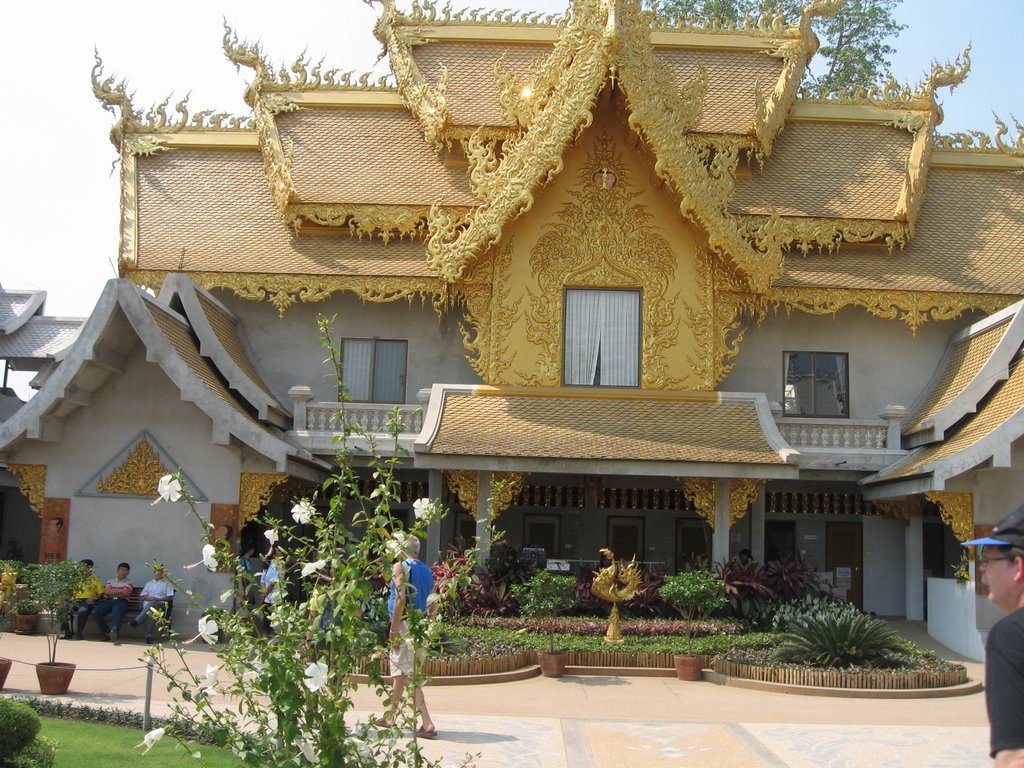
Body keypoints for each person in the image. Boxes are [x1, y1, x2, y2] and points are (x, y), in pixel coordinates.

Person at [963, 508, 1024, 767]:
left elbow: (1015, 757)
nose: (983, 570)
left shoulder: (1012, 635)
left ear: (1018, 566)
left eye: (989, 560)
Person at [383, 533, 436, 739]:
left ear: (401, 549)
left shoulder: (400, 567)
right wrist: (428, 627)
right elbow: (433, 603)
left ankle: (427, 722)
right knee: (401, 672)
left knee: (408, 675)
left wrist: (393, 630)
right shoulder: (427, 571)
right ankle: (390, 717)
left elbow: (400, 600)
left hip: (404, 624)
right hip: (419, 626)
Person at [129, 564, 174, 644]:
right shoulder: (149, 583)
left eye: (161, 572)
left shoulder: (167, 584)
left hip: (160, 605)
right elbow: (143, 595)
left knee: (153, 605)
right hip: (148, 604)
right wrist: (149, 598)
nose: (159, 573)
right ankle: (148, 636)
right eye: (157, 571)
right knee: (151, 610)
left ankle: (137, 621)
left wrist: (159, 599)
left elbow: (170, 597)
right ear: (154, 572)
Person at [91, 562, 134, 644]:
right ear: (117, 570)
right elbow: (106, 591)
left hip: (121, 601)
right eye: (122, 569)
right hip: (109, 601)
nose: (124, 572)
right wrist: (120, 590)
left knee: (117, 611)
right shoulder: (111, 581)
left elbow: (126, 593)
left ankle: (114, 631)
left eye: (126, 570)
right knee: (95, 612)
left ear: (128, 572)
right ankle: (106, 632)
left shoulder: (129, 582)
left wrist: (112, 592)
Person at [66, 559, 103, 640]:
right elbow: (70, 592)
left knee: (82, 611)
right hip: (74, 600)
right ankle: (67, 631)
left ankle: (79, 633)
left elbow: (101, 594)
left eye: (84, 567)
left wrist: (94, 598)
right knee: (63, 609)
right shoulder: (77, 579)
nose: (82, 569)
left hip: (86, 601)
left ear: (90, 568)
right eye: (81, 567)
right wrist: (66, 598)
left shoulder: (96, 579)